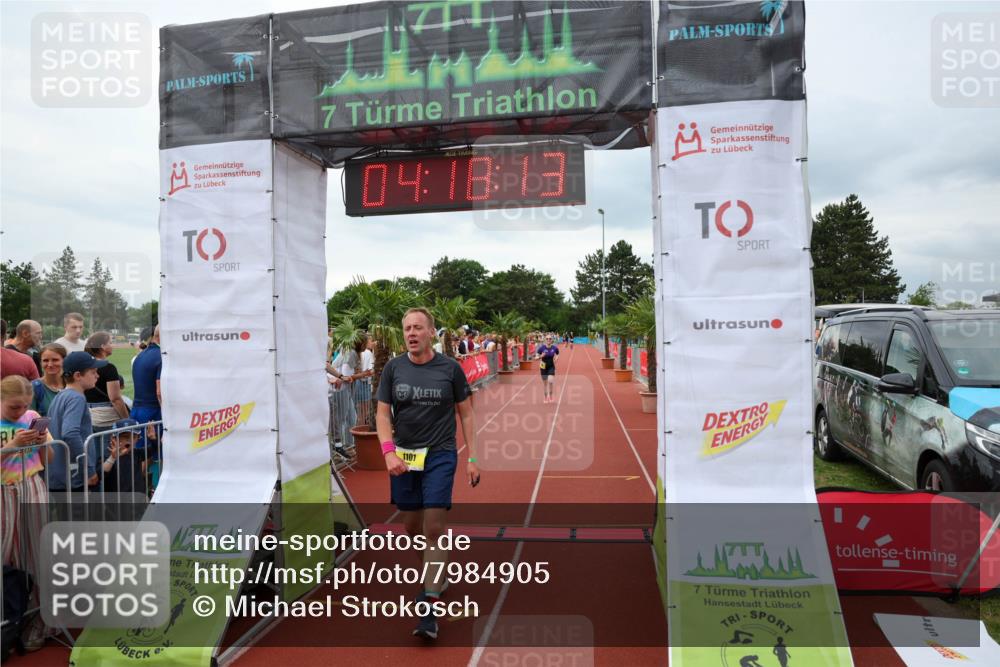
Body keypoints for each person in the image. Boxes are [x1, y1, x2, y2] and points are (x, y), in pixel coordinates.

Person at [376, 307, 480, 641]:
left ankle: (429, 603)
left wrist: (473, 457)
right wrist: (388, 452)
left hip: (440, 455)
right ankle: (437, 574)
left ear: (431, 332)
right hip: (405, 458)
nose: (411, 333)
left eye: (418, 327)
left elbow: (466, 413)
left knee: (434, 527)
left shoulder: (450, 369)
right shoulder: (393, 368)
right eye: (407, 328)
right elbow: (381, 414)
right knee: (410, 526)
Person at [1, 374, 54, 650]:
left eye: (24, 406)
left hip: (32, 486)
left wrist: (43, 440)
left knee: (38, 554)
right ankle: (9, 622)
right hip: (3, 494)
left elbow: (49, 459)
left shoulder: (32, 416)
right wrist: (11, 446)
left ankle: (38, 621)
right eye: (13, 407)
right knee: (6, 555)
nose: (20, 412)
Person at [47, 351, 104, 491]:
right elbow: (70, 433)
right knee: (81, 513)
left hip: (60, 475)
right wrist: (88, 470)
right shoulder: (76, 398)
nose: (97, 375)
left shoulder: (61, 395)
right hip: (73, 477)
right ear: (78, 375)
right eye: (93, 372)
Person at [131, 325, 162, 451]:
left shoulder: (140, 355)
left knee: (141, 454)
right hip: (153, 412)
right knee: (152, 455)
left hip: (138, 409)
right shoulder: (161, 356)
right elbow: (159, 392)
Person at [31, 343, 67, 416]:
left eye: (55, 360)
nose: (50, 364)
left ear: (64, 360)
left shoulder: (74, 385)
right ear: (40, 363)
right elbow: (29, 419)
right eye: (45, 360)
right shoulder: (33, 388)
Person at [536, 334, 560, 403]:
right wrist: (541, 356)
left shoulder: (554, 348)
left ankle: (551, 396)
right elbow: (535, 357)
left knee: (550, 381)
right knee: (545, 383)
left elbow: (558, 353)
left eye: (550, 339)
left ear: (552, 340)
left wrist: (556, 358)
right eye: (547, 339)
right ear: (545, 340)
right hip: (543, 367)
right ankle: (546, 397)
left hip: (551, 366)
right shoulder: (541, 348)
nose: (548, 340)